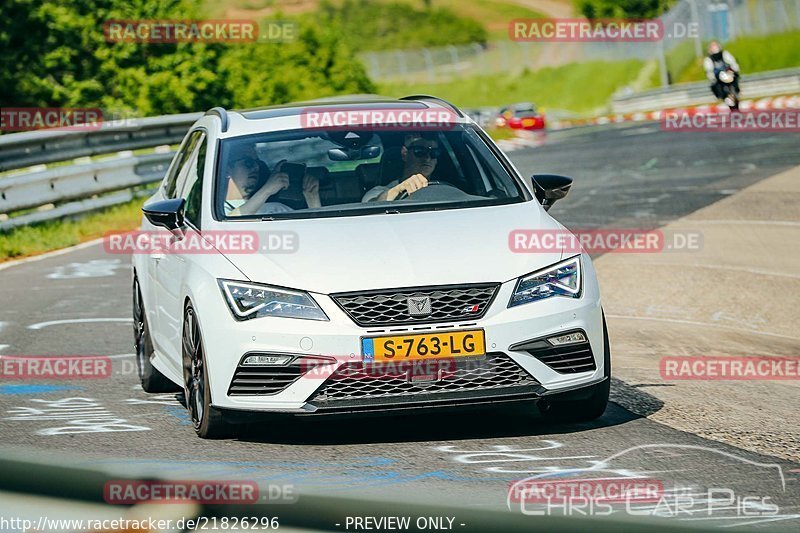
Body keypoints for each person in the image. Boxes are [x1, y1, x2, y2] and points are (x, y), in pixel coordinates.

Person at [224, 144, 320, 216]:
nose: (256, 167)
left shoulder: (275, 208)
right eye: (248, 162)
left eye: (258, 162)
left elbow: (314, 233)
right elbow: (228, 225)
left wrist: (312, 199)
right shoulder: (215, 209)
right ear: (226, 169)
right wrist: (267, 190)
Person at [362, 133, 440, 202]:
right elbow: (372, 206)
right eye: (419, 151)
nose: (427, 158)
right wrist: (398, 190)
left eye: (434, 153)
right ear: (404, 154)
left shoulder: (445, 189)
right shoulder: (380, 190)